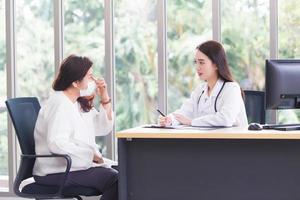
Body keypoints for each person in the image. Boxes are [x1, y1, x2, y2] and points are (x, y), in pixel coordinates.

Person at [33, 55, 118, 200]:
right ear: (75, 83)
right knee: (116, 179)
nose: (95, 81)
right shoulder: (59, 104)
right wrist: (90, 155)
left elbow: (103, 127)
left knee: (126, 172)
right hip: (55, 171)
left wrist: (104, 97)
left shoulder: (77, 102)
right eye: (90, 77)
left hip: (74, 166)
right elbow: (56, 143)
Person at [159, 40, 248, 127]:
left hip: (232, 141)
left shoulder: (232, 89)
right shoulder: (200, 90)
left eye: (201, 62)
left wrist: (192, 122)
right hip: (206, 140)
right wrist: (170, 119)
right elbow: (184, 112)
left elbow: (225, 119)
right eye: (196, 62)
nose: (197, 67)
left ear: (216, 64)